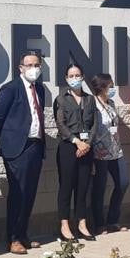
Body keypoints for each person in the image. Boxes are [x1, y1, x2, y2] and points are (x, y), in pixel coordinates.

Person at [0, 49, 47, 255]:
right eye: (29, 65)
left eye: (37, 65)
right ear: (21, 68)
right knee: (18, 193)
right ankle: (13, 238)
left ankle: (23, 234)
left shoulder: (39, 89)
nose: (34, 69)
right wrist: (10, 140)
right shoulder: (10, 88)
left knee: (30, 194)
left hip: (35, 145)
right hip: (17, 149)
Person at [53, 62, 99, 240]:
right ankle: (64, 224)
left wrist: (87, 143)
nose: (74, 79)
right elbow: (60, 124)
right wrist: (76, 141)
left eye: (77, 75)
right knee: (66, 186)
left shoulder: (89, 99)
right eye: (71, 76)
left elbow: (94, 124)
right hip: (68, 147)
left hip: (87, 148)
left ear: (82, 77)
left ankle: (82, 223)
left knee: (83, 187)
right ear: (66, 79)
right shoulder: (61, 99)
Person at [87, 73, 129, 234]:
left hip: (116, 151)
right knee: (99, 188)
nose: (113, 89)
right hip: (99, 153)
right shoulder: (93, 104)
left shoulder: (111, 103)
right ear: (102, 87)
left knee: (123, 183)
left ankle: (113, 220)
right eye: (110, 86)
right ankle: (99, 223)